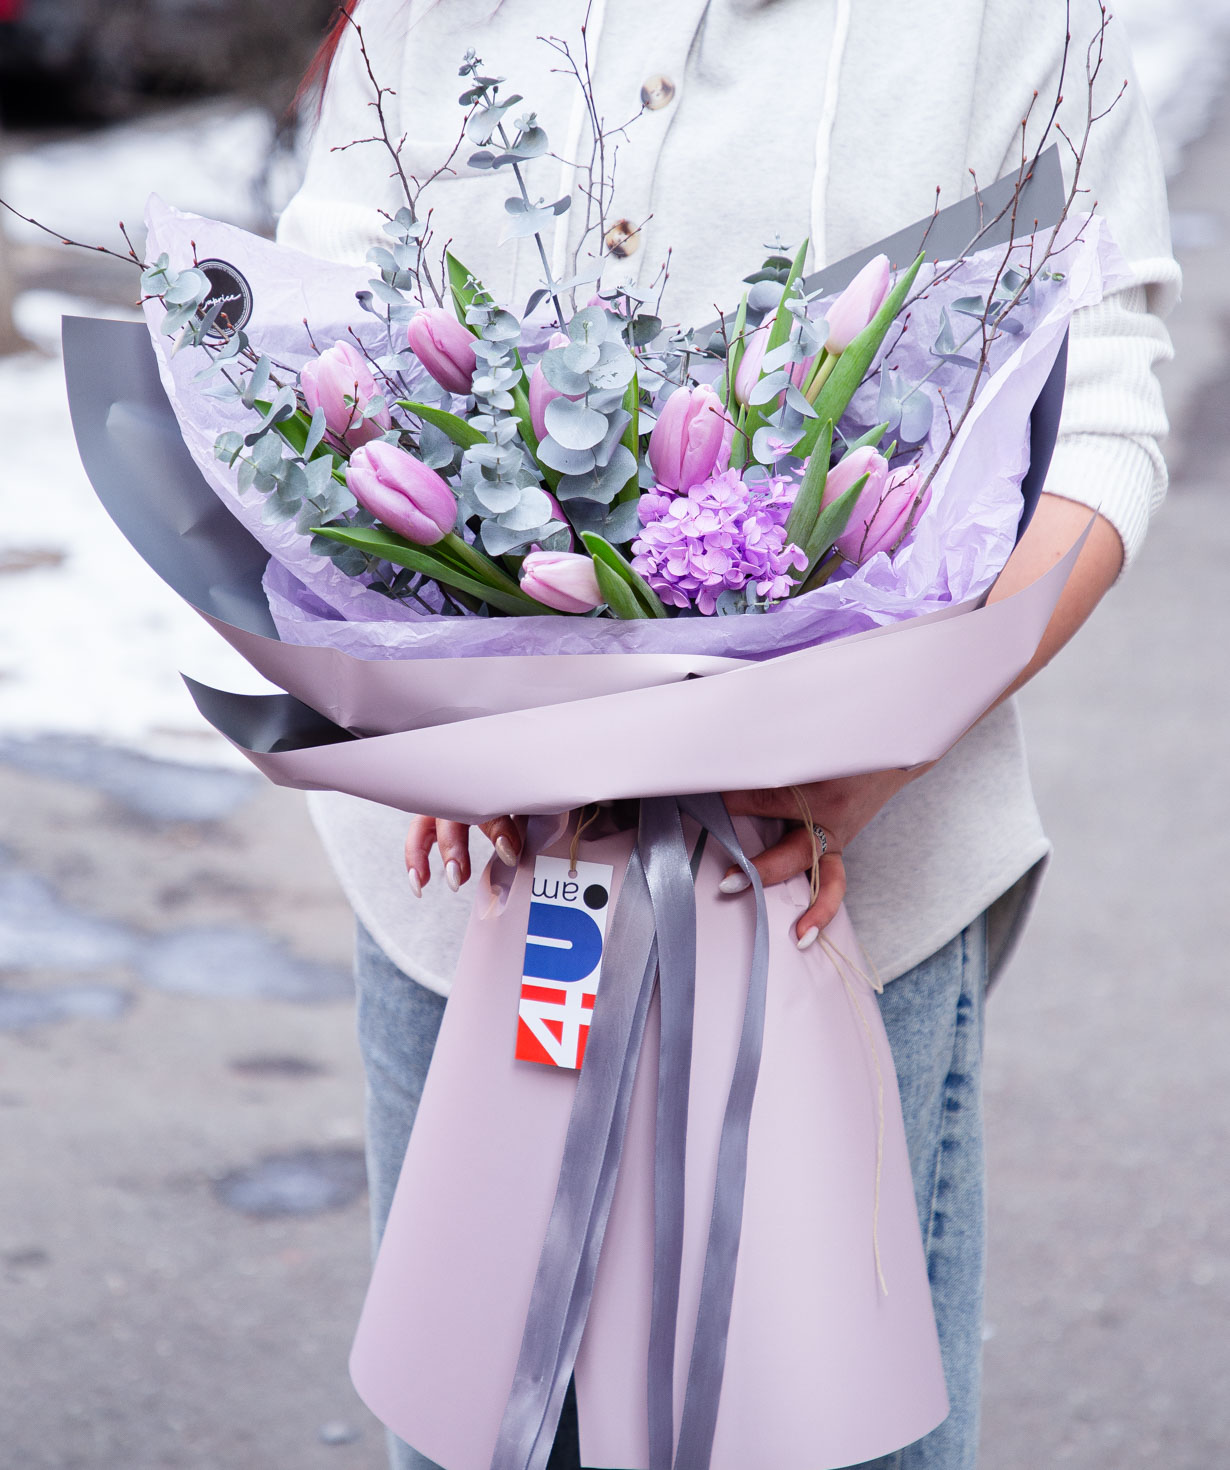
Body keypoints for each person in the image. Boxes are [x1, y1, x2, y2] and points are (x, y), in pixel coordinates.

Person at [277, 1, 1177, 1465]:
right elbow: (324, 342)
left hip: (831, 911)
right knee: (489, 1429)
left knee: (812, 1432)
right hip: (473, 922)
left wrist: (865, 756)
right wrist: (416, 710)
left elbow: (1099, 410)